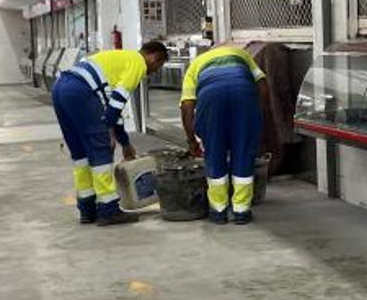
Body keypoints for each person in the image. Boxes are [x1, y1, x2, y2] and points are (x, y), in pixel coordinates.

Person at [52, 41, 169, 226]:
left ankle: (87, 209)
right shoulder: (137, 62)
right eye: (158, 65)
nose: (154, 71)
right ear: (154, 57)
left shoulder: (120, 58)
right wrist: (109, 132)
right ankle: (108, 210)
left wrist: (124, 142)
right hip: (82, 91)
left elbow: (112, 106)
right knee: (101, 151)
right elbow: (117, 102)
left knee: (80, 154)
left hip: (60, 88)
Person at [180, 44, 268, 225]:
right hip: (244, 95)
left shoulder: (195, 64)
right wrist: (258, 114)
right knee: (243, 153)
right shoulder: (240, 53)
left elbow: (187, 106)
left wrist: (191, 140)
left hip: (210, 100)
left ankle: (219, 210)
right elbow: (263, 84)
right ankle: (241, 210)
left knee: (214, 153)